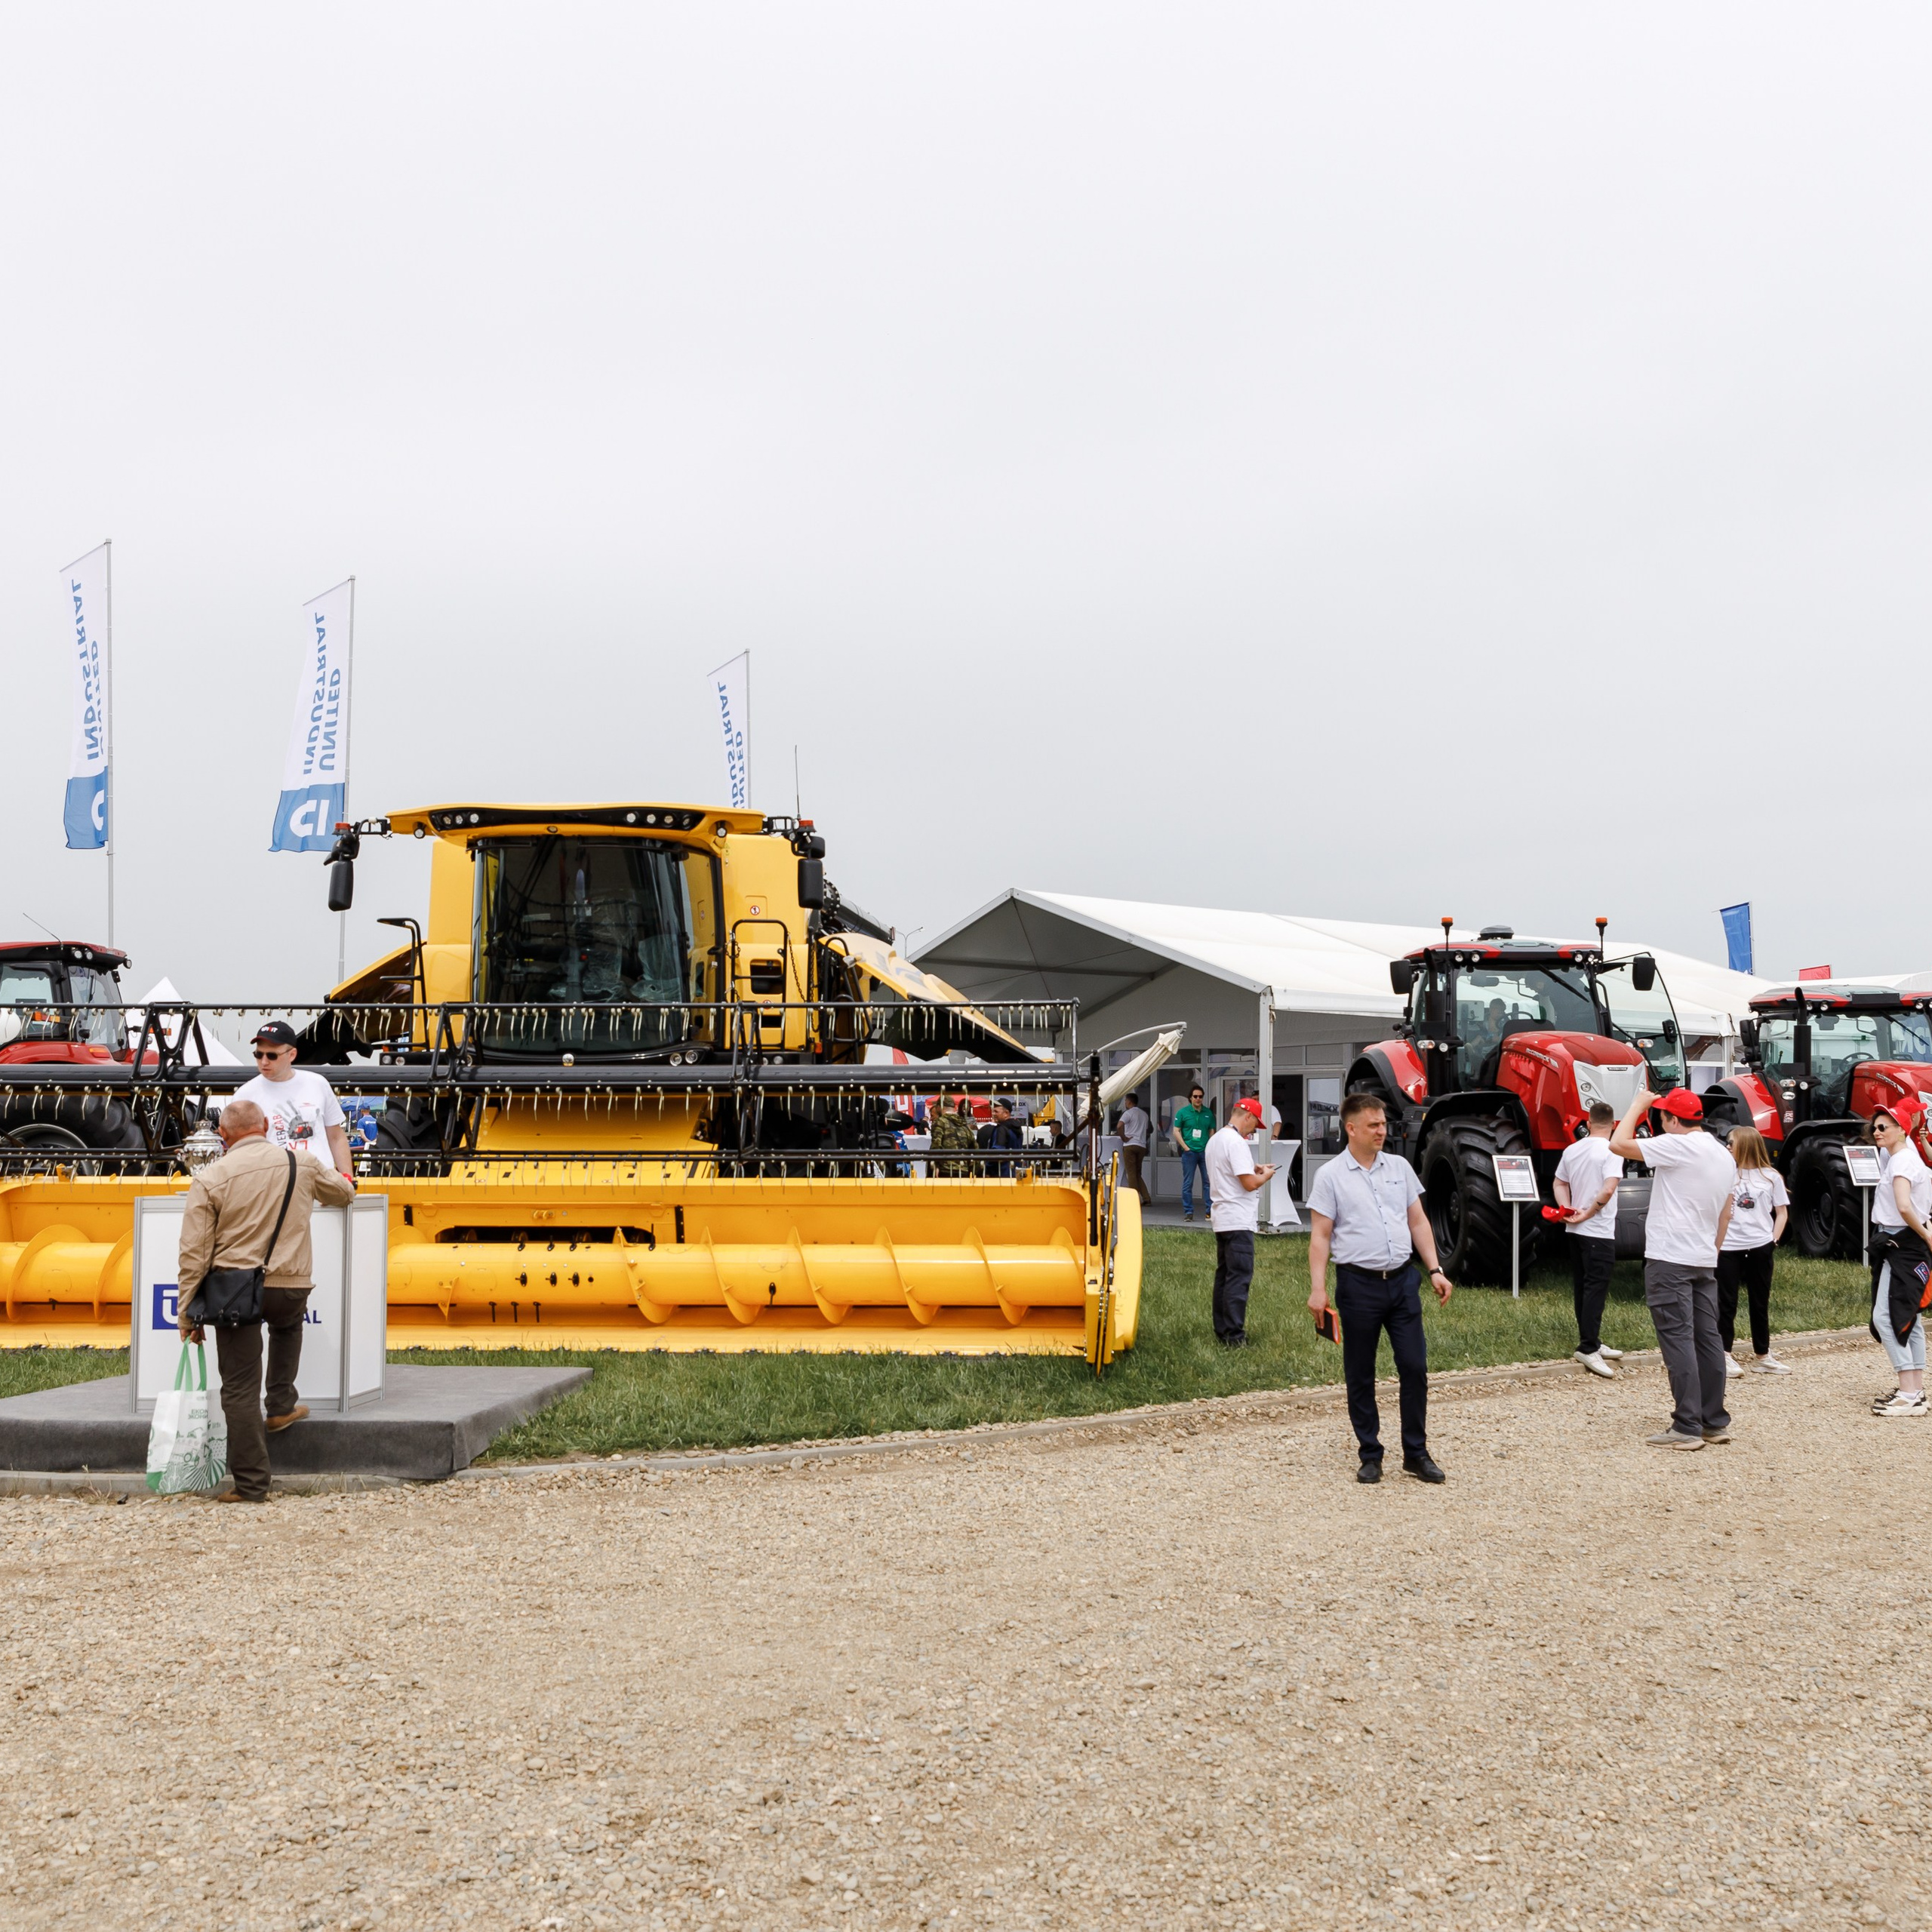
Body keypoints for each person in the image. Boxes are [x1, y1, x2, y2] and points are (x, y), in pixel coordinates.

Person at [175, 1098, 357, 1503]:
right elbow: (344, 1194)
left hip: (234, 1291)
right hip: (291, 1285)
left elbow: (194, 1253)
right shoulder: (301, 1163)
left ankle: (252, 1484)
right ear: (265, 1127)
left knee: (239, 1389)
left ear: (222, 1136)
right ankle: (280, 1404)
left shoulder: (210, 1178)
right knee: (288, 1325)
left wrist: (188, 1311)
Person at [1306, 1093, 1453, 1484]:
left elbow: (1418, 1222)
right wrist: (1317, 1289)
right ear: (1350, 1128)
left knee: (1414, 1366)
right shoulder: (1330, 1176)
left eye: (1383, 1124)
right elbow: (1320, 1237)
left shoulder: (1400, 1167)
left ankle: (1416, 1453)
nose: (1382, 1131)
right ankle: (1370, 1454)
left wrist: (1435, 1269)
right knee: (1360, 1372)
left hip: (1403, 1282)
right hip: (1357, 1286)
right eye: (1373, 1125)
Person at [1610, 1085, 1736, 1451]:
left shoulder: (1678, 1144)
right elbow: (1726, 1211)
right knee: (1708, 1341)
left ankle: (1686, 1425)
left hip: (1670, 1257)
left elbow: (1619, 1144)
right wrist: (1710, 1251)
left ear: (1673, 1120)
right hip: (1702, 1257)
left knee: (1678, 1340)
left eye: (1662, 1117)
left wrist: (1636, 1105)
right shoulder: (1721, 1153)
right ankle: (1713, 1421)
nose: (1660, 1123)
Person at [1867, 1100, 1932, 1417]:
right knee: (1909, 1317)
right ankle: (1915, 1390)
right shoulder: (1900, 1157)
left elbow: (1905, 1207)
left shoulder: (1904, 1161)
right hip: (1900, 1240)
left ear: (1901, 1129)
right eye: (1875, 1127)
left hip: (1901, 1242)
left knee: (1888, 1316)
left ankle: (1909, 1393)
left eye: (1884, 1127)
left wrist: (1926, 1235)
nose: (1877, 1132)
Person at [1553, 1102, 1626, 1378]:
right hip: (1598, 1230)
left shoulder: (1573, 1149)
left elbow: (1559, 1183)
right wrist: (1589, 1212)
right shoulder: (1612, 1149)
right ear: (1614, 1124)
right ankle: (1588, 1346)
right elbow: (1608, 1190)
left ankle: (1592, 1339)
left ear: (1589, 1121)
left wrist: (1567, 1209)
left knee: (1583, 1287)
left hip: (1575, 1231)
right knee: (1596, 1288)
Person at [226, 1020, 353, 1176]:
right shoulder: (245, 1095)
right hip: (274, 1185)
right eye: (258, 1054)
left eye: (272, 1056)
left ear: (292, 1055)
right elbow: (238, 1147)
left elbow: (335, 1136)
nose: (264, 1061)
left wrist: (347, 1178)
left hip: (321, 1185)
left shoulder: (318, 1084)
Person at [1204, 1096, 1277, 1346]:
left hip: (1222, 1217)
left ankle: (1222, 1329)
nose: (1254, 1130)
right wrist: (1265, 1175)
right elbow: (1248, 1184)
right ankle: (1235, 1336)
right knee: (1239, 1277)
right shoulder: (1236, 1143)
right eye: (1255, 1124)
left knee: (1224, 1276)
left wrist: (1253, 1167)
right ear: (1248, 1116)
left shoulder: (1216, 1140)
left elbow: (1231, 1171)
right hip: (1238, 1218)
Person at [1718, 1128, 1791, 1377]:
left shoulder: (1771, 1177)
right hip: (1729, 1246)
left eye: (1731, 1143)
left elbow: (1782, 1212)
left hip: (1760, 1246)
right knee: (1726, 1303)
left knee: (1760, 1302)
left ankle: (1762, 1355)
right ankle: (1724, 1354)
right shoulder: (1725, 1175)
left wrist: (1774, 1240)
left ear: (1746, 1146)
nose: (1728, 1147)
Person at [1171, 1083, 1217, 1222]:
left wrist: (1210, 1147)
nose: (1198, 1099)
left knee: (1208, 1183)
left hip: (1204, 1152)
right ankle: (1189, 1212)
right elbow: (1176, 1131)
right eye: (1195, 1096)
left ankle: (1209, 1212)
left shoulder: (1208, 1113)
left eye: (1200, 1097)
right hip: (1189, 1152)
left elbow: (1212, 1131)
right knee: (1188, 1183)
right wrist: (1185, 1147)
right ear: (1190, 1098)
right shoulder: (1182, 1112)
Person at [928, 1094, 977, 1177]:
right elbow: (974, 1147)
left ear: (940, 1107)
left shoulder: (940, 1122)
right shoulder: (964, 1124)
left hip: (946, 1170)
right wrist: (972, 1169)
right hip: (964, 1170)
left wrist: (935, 1166)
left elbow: (936, 1145)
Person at [1115, 1092, 1151, 1204]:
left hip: (1130, 1145)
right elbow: (1149, 1130)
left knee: (1131, 1173)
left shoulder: (1128, 1113)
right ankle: (1146, 1198)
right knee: (1137, 1173)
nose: (1125, 1103)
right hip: (1141, 1145)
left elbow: (1119, 1126)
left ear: (1129, 1101)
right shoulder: (1144, 1114)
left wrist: (1123, 1137)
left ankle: (1133, 1199)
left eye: (1126, 1101)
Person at [982, 1097, 1023, 1177]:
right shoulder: (1017, 1128)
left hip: (1001, 1175)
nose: (993, 1114)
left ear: (1006, 1113)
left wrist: (987, 1169)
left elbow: (997, 1152)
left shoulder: (1001, 1129)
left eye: (996, 1112)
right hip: (1015, 1173)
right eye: (993, 1111)